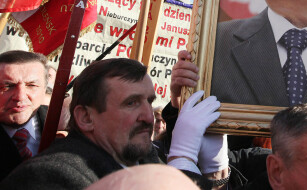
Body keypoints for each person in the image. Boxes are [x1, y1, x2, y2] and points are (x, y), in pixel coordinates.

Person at [0, 58, 222, 190]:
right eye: (131, 103)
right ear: (86, 118)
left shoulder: (143, 158)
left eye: (150, 101)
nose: (148, 116)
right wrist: (183, 159)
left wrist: (214, 170)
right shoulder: (48, 178)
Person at [0, 50, 49, 181]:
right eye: (8, 86)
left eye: (31, 85)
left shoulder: (63, 127)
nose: (20, 97)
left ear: (44, 89)